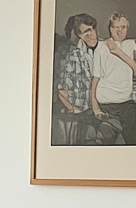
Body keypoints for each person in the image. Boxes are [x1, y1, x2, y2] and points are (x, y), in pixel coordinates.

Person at [55, 14, 116, 145]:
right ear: (79, 36)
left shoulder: (105, 48)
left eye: (93, 30)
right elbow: (60, 88)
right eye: (86, 34)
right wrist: (72, 108)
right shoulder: (75, 57)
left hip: (108, 105)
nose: (92, 36)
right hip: (86, 111)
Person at [89, 12, 136, 145]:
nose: (120, 31)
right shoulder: (101, 47)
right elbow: (95, 79)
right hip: (107, 103)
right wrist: (95, 108)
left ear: (127, 28)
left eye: (123, 27)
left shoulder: (132, 45)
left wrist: (118, 52)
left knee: (133, 141)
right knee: (106, 142)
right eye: (115, 27)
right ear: (110, 29)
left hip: (126, 101)